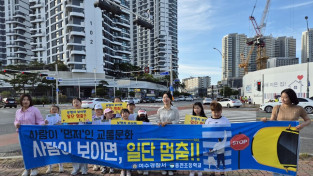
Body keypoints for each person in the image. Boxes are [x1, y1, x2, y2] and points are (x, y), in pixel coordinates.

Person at [262, 89, 311, 176]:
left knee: (291, 159)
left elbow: (308, 120)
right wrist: (265, 120)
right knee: (277, 158)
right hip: (278, 137)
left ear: (291, 97)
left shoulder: (298, 108)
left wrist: (302, 125)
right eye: (282, 97)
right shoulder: (276, 108)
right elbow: (272, 121)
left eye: (286, 97)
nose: (283, 99)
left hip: (293, 138)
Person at [14, 94, 47, 176]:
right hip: (22, 135)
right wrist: (16, 124)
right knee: (25, 152)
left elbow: (40, 121)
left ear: (30, 101)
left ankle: (34, 169)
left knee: (33, 152)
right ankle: (27, 169)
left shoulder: (34, 110)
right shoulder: (18, 111)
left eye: (27, 100)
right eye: (24, 99)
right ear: (21, 101)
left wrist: (43, 124)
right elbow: (16, 121)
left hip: (33, 135)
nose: (25, 101)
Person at [156, 92, 180, 176]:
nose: (165, 99)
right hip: (162, 133)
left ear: (170, 99)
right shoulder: (159, 110)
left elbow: (177, 121)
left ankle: (171, 168)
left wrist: (169, 123)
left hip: (172, 133)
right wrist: (159, 123)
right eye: (164, 97)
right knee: (162, 150)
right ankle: (163, 167)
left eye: (167, 97)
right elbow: (157, 120)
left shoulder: (175, 109)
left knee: (171, 151)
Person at [205, 101, 230, 176]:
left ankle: (222, 172)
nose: (216, 113)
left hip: (222, 144)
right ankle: (212, 172)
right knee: (212, 157)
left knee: (222, 158)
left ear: (221, 111)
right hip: (211, 142)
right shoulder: (208, 120)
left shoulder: (225, 120)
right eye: (214, 112)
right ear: (211, 111)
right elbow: (205, 131)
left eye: (218, 112)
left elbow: (229, 130)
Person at [70, 98, 88, 175]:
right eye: (74, 102)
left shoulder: (86, 112)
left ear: (81, 103)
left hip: (84, 135)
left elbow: (90, 123)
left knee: (84, 151)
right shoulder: (69, 113)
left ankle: (84, 169)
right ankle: (75, 168)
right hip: (73, 136)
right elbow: (66, 124)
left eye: (77, 102)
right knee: (74, 152)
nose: (76, 103)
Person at [45, 105, 64, 174]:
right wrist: (45, 123)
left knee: (59, 151)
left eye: (56, 109)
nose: (54, 110)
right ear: (50, 111)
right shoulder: (47, 117)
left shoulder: (60, 117)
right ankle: (49, 167)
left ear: (58, 111)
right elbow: (44, 125)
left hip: (58, 136)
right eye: (53, 109)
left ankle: (61, 166)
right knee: (50, 151)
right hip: (50, 136)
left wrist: (61, 123)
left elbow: (64, 124)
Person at [189, 102, 207, 176]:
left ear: (201, 109)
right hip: (192, 139)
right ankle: (192, 170)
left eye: (198, 108)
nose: (196, 109)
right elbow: (187, 128)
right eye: (195, 108)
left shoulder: (205, 119)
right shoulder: (190, 118)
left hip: (201, 140)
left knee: (200, 155)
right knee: (192, 155)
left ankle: (200, 170)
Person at [92, 104, 107, 173]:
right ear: (95, 110)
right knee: (95, 150)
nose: (98, 111)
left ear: (102, 110)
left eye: (100, 110)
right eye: (97, 110)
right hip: (95, 136)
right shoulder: (92, 117)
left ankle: (102, 165)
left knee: (103, 150)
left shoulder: (105, 117)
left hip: (104, 136)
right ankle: (96, 164)